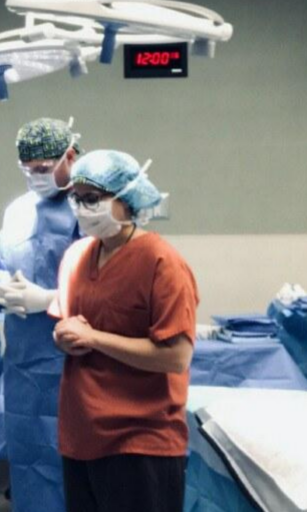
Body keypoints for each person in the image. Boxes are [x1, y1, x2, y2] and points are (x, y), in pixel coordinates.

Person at [50, 150, 197, 512]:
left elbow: (176, 357)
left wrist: (95, 338)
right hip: (81, 437)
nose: (83, 208)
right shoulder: (76, 256)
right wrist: (63, 337)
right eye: (77, 199)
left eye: (93, 199)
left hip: (140, 442)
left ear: (126, 197)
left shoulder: (162, 263)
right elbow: (66, 324)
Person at [0, 117, 81, 512]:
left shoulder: (89, 209)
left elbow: (111, 287)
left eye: (43, 169)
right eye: (27, 170)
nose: (35, 178)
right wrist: (0, 290)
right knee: (28, 467)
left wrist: (52, 299)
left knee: (74, 468)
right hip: (24, 367)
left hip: (75, 365)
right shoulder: (18, 211)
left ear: (69, 157)